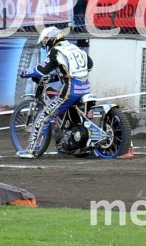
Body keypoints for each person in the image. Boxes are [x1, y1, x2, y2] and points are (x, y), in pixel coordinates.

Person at [17, 27, 93, 158]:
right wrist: (59, 76)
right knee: (74, 117)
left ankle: (31, 150)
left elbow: (42, 70)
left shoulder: (56, 51)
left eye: (45, 42)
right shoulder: (74, 48)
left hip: (71, 90)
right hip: (85, 87)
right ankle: (79, 145)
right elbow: (89, 65)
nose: (45, 45)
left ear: (50, 39)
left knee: (44, 116)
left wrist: (26, 72)